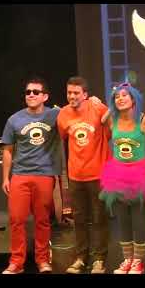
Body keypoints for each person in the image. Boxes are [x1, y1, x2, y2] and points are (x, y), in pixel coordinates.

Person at [1, 73, 60, 274]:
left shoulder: (55, 115)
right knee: (17, 219)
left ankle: (42, 260)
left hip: (44, 174)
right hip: (20, 175)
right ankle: (16, 262)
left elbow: (77, 112)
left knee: (42, 220)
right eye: (28, 92)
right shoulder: (14, 120)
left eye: (36, 92)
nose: (31, 95)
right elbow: (7, 150)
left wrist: (92, 101)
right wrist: (5, 178)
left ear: (45, 96)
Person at [99, 80, 145, 274]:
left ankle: (139, 262)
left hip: (139, 175)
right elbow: (100, 120)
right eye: (117, 97)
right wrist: (110, 101)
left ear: (134, 99)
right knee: (122, 219)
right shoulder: (111, 120)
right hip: (117, 175)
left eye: (125, 95)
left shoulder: (144, 121)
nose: (120, 99)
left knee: (138, 219)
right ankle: (127, 260)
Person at [57, 76, 111, 274]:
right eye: (69, 92)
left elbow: (112, 129)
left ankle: (99, 260)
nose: (72, 96)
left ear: (85, 95)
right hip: (75, 176)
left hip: (98, 174)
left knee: (99, 219)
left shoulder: (97, 108)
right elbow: (64, 138)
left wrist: (103, 105)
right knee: (79, 219)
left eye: (76, 93)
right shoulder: (63, 114)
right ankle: (81, 258)